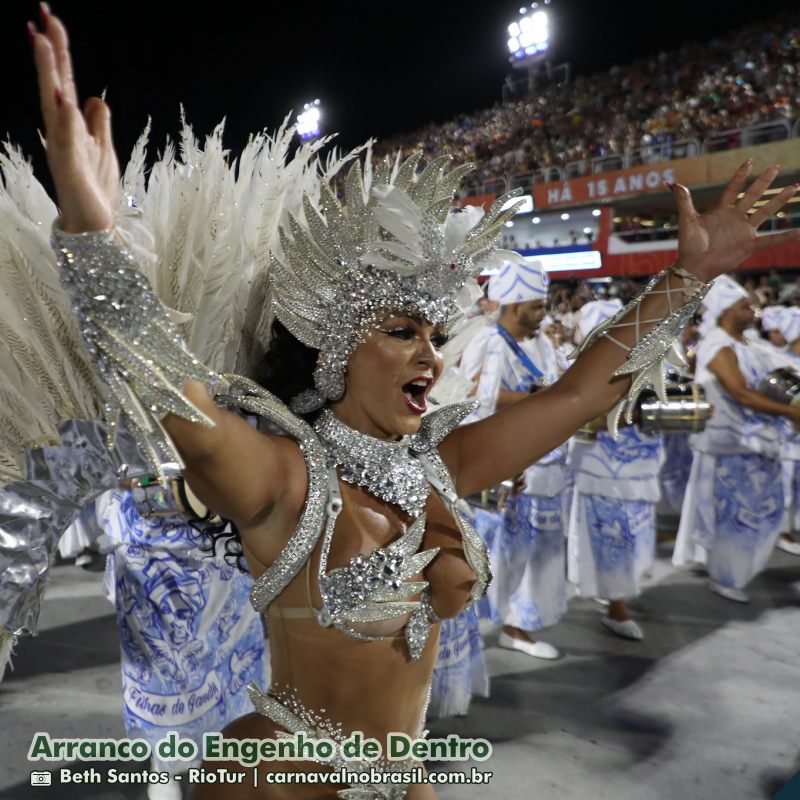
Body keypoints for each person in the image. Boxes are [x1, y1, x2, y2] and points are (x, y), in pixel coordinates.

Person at [13, 9, 800, 799]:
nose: (432, 352)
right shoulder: (287, 480)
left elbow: (577, 392)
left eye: (435, 333)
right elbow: (166, 391)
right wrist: (90, 234)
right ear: (334, 354)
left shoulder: (445, 466)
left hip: (405, 775)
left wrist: (685, 277)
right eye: (401, 331)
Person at [673, 277, 800, 603]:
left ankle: (732, 569)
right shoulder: (716, 345)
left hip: (758, 445)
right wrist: (792, 414)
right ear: (726, 310)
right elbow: (740, 393)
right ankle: (724, 575)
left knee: (763, 515)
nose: (753, 311)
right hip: (730, 447)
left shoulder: (750, 345)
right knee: (732, 517)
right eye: (745, 306)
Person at [465, 259, 568, 659]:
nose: (544, 314)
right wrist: (540, 404)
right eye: (536, 307)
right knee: (498, 550)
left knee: (535, 550)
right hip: (508, 467)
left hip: (547, 462)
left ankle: (518, 624)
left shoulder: (541, 344)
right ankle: (499, 624)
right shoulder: (488, 342)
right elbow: (474, 395)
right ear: (512, 306)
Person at [566, 300, 664, 641]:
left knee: (636, 541)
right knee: (612, 541)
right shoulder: (584, 370)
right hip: (602, 471)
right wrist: (633, 413)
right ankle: (616, 606)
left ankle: (618, 595)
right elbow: (586, 420)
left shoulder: (646, 362)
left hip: (641, 469)